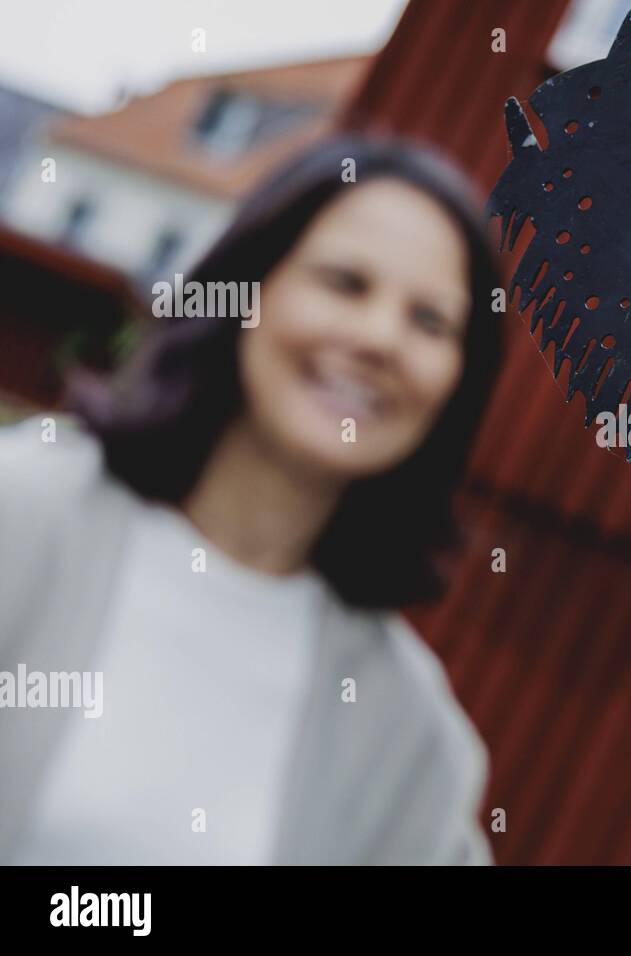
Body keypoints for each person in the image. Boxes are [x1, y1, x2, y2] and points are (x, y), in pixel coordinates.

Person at [0, 135, 503, 864]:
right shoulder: (22, 514)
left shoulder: (413, 742)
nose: (379, 337)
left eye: (430, 321)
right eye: (345, 283)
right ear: (244, 290)